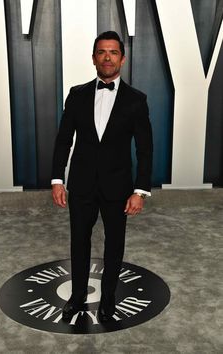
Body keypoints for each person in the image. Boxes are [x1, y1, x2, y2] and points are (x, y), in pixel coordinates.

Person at [51, 31, 153, 322]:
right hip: (81, 185)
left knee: (114, 245)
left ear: (122, 57)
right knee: (79, 242)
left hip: (118, 187)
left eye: (113, 52)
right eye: (101, 52)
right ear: (93, 57)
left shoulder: (136, 100)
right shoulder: (77, 94)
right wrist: (57, 179)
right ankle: (78, 296)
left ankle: (108, 299)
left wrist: (140, 190)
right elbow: (63, 140)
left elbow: (145, 149)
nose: (107, 57)